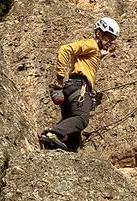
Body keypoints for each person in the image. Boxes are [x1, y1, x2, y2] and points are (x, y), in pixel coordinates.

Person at [39, 17, 120, 151]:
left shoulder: (94, 50)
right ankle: (53, 134)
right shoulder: (91, 45)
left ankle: (53, 145)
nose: (110, 42)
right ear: (98, 33)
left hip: (73, 89)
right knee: (82, 119)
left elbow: (86, 63)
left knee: (74, 141)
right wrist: (59, 78)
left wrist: (100, 56)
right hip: (79, 88)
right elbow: (65, 49)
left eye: (112, 40)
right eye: (108, 37)